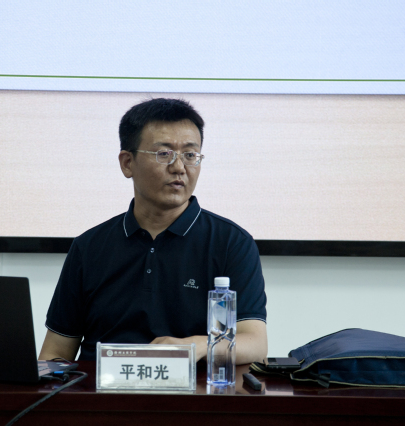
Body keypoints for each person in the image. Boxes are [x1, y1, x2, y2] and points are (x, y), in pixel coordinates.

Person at [39, 98, 267, 363]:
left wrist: (196, 346)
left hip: (193, 388)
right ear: (127, 163)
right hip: (102, 388)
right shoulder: (89, 247)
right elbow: (55, 353)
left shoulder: (231, 243)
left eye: (190, 155)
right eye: (164, 154)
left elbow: (255, 343)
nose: (179, 167)